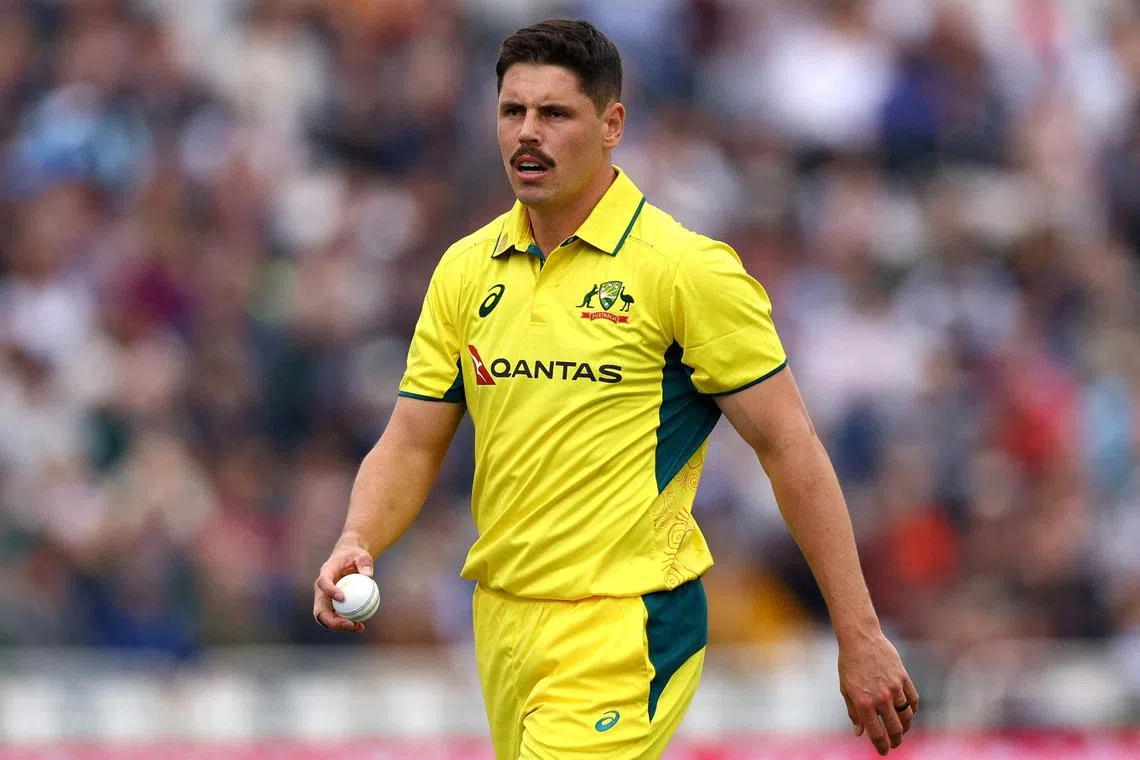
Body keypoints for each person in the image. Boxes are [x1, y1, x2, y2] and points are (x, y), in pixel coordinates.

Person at [314, 18, 918, 759]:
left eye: (555, 114)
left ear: (612, 125)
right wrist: (357, 536)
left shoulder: (683, 270)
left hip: (627, 624)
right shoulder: (466, 271)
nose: (527, 134)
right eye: (513, 112)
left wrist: (858, 635)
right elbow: (410, 440)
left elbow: (790, 448)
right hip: (503, 620)